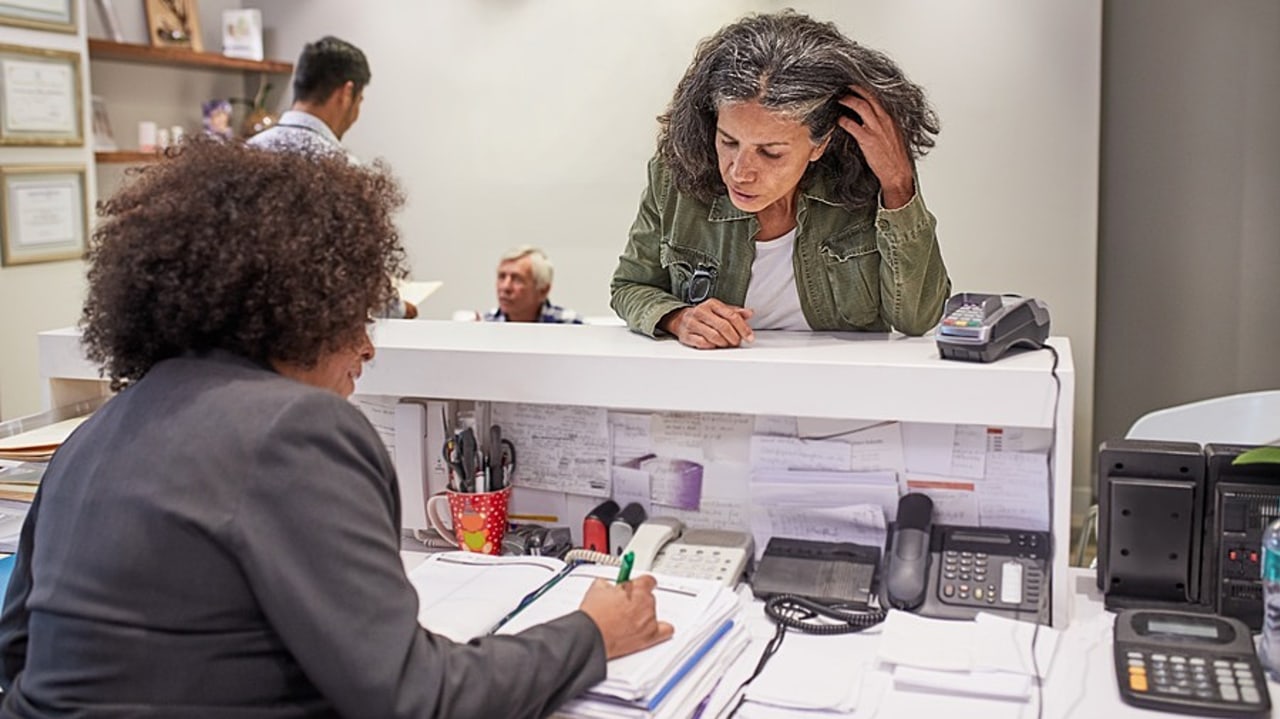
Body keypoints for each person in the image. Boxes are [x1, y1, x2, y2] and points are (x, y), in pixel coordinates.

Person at [0, 141, 671, 718]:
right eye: (355, 315)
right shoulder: (297, 429)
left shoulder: (96, 432)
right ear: (300, 306)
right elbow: (419, 699)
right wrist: (592, 632)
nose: (367, 347)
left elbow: (17, 652)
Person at [610, 11, 951, 349]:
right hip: (717, 378)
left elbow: (917, 319)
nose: (740, 172)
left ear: (820, 144)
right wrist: (678, 317)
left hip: (841, 379)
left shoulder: (871, 183)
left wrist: (897, 184)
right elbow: (630, 286)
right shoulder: (676, 175)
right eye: (729, 141)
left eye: (770, 152)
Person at [249, 34, 416, 319]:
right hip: (314, 328)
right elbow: (363, 272)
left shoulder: (247, 154)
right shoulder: (345, 173)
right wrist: (399, 311)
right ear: (346, 93)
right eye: (359, 100)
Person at [482, 245, 584, 324]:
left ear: (543, 290)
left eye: (517, 280)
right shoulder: (485, 325)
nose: (505, 287)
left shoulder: (572, 326)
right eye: (501, 277)